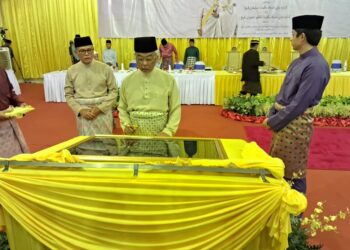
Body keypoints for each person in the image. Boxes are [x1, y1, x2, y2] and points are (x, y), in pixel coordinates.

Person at [262, 15, 330, 194]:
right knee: (278, 169)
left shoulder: (316, 65)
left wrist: (273, 122)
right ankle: (281, 213)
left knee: (293, 174)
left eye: (292, 34)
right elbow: (282, 94)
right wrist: (271, 114)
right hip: (285, 122)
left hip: (296, 125)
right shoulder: (298, 61)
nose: (290, 38)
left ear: (302, 37)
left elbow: (300, 104)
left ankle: (295, 218)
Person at [118, 36, 181, 137]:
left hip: (161, 133)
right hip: (134, 134)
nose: (144, 63)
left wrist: (168, 131)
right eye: (140, 59)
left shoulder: (168, 79)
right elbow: (122, 107)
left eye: (148, 59)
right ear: (135, 58)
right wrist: (126, 126)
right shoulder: (127, 81)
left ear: (156, 57)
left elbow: (175, 108)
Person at [64, 36, 118, 136]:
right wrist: (80, 110)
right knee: (85, 144)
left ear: (93, 50)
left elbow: (114, 91)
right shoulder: (71, 71)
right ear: (76, 53)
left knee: (106, 144)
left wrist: (100, 108)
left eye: (89, 50)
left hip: (103, 111)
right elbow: (68, 95)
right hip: (83, 114)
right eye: (82, 51)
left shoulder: (105, 68)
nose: (87, 53)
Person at [0, 67, 29, 158]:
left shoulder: (1, 71)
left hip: (10, 122)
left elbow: (10, 91)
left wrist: (19, 103)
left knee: (20, 155)